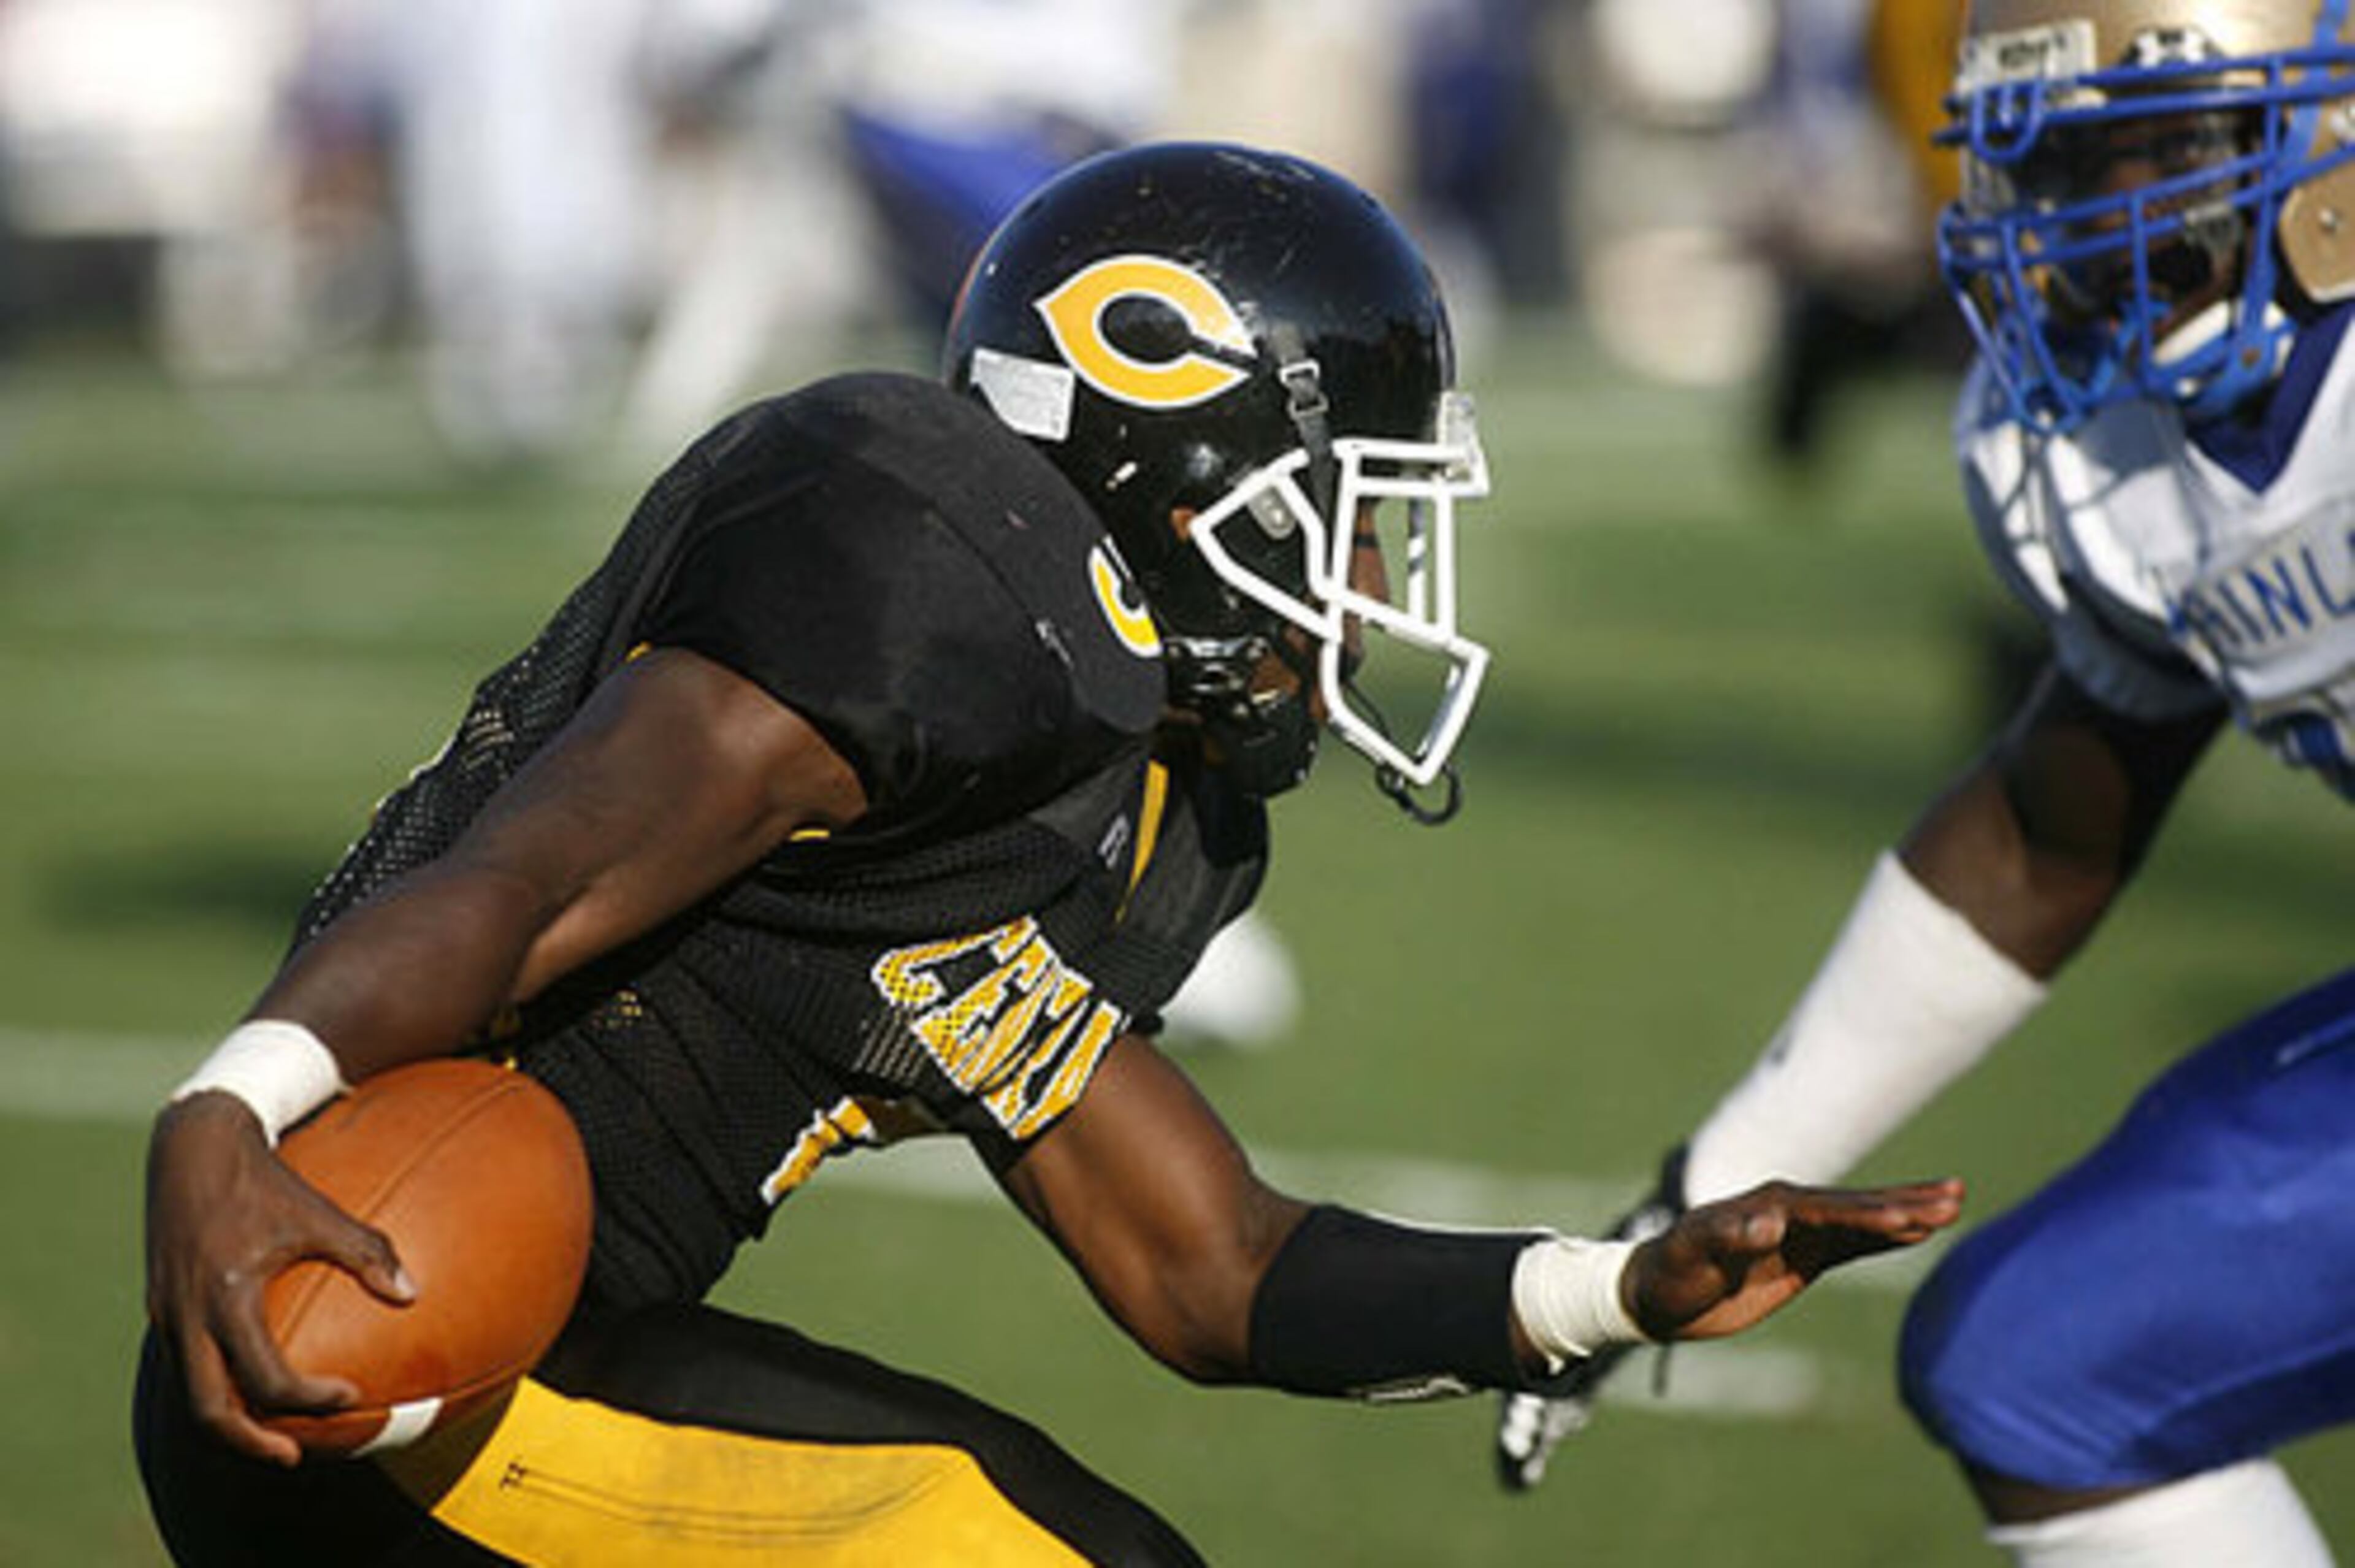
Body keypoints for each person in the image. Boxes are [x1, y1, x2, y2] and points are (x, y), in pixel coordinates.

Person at [136, 140, 1964, 1567]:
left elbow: (1210, 1265)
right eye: (1344, 517)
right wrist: (232, 1104)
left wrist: (1609, 1289)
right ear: (1183, 486)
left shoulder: (1143, 818)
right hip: (360, 1335)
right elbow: (521, 880)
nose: (1370, 588)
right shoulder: (918, 600)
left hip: (527, 1364)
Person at [1493, 5, 2355, 1564]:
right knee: (2041, 1362)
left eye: (2141, 148)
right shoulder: (2119, 454)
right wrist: (1708, 1184)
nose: (2079, 217)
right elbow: (2046, 833)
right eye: (2053, 164)